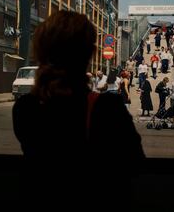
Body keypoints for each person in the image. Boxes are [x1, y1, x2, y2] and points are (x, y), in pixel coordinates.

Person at [12, 11, 144, 208]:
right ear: (89, 54)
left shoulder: (25, 108)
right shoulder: (108, 108)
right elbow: (136, 164)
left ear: (40, 51)